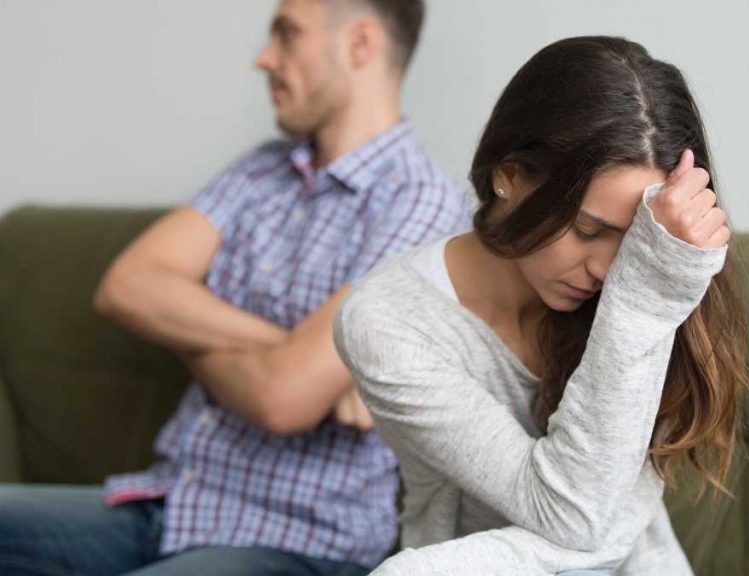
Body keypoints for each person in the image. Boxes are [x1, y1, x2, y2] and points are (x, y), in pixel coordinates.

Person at [0, 1, 470, 574]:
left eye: (287, 34)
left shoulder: (422, 203)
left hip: (294, 541)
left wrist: (182, 318)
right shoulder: (259, 170)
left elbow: (282, 401)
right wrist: (291, 344)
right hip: (167, 501)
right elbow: (126, 287)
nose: (263, 58)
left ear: (361, 45)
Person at [334, 36, 749, 575]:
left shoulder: (651, 282)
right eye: (588, 230)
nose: (610, 271)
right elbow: (575, 519)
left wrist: (655, 282)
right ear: (508, 177)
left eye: (635, 244)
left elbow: (596, 523)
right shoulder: (388, 321)